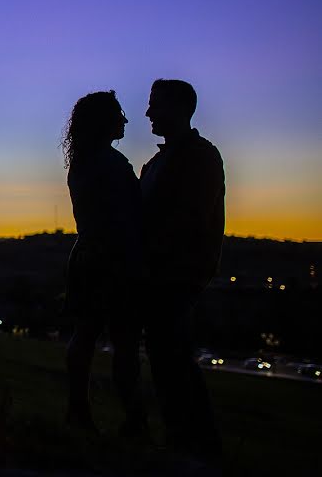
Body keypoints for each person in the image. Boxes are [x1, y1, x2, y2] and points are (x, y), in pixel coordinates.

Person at [140, 79, 225, 458]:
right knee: (164, 358)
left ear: (180, 109)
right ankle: (182, 440)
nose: (148, 113)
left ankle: (201, 446)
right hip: (156, 273)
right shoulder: (156, 162)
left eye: (155, 105)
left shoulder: (201, 156)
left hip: (177, 274)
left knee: (175, 358)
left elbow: (191, 219)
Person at [61, 91, 147, 437]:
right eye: (118, 115)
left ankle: (79, 412)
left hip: (88, 256)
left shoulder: (84, 160)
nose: (125, 121)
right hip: (112, 260)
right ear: (103, 121)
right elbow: (132, 215)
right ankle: (134, 422)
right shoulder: (110, 163)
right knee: (124, 343)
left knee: (86, 336)